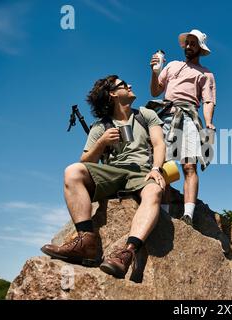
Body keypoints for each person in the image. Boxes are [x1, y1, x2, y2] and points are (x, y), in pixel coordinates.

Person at [41, 75, 166, 278]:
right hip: (113, 172)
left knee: (154, 190)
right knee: (72, 171)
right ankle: (85, 242)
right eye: (124, 84)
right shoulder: (100, 126)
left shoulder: (146, 114)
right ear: (113, 94)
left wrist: (156, 169)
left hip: (142, 172)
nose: (131, 85)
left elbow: (160, 144)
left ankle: (127, 253)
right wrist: (101, 143)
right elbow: (85, 162)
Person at [149, 29, 217, 227]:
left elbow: (208, 101)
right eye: (187, 43)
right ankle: (163, 213)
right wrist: (154, 72)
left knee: (189, 165)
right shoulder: (171, 65)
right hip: (165, 114)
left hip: (188, 116)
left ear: (199, 48)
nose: (188, 46)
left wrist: (209, 122)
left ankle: (188, 214)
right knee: (163, 166)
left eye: (193, 43)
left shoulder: (206, 74)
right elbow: (155, 91)